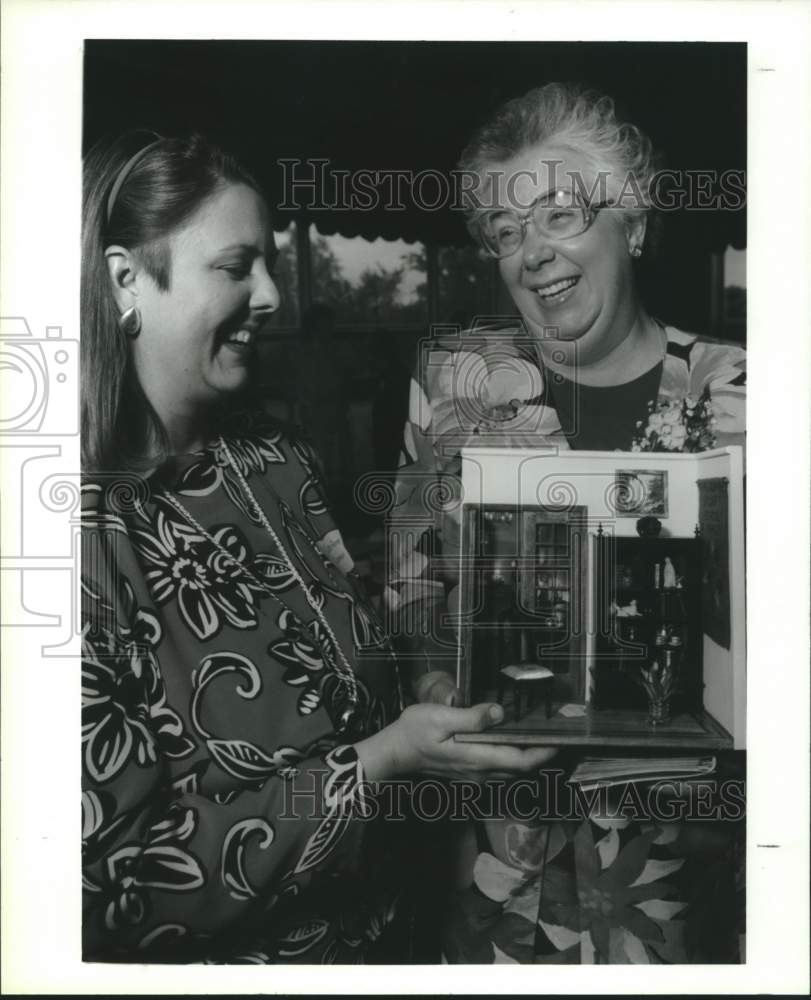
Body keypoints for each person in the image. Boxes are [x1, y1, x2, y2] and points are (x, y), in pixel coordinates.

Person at [80, 131, 556, 964]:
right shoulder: (70, 538)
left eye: (269, 261)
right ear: (127, 279)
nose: (271, 292)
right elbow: (109, 892)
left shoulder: (275, 459)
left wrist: (432, 688)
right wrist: (380, 764)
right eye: (235, 267)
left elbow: (357, 656)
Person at [390, 83, 746, 963]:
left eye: (559, 215)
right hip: (496, 863)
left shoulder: (739, 391)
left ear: (630, 223)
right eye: (507, 233)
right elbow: (408, 589)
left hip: (679, 862)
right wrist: (434, 682)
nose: (533, 254)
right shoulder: (453, 385)